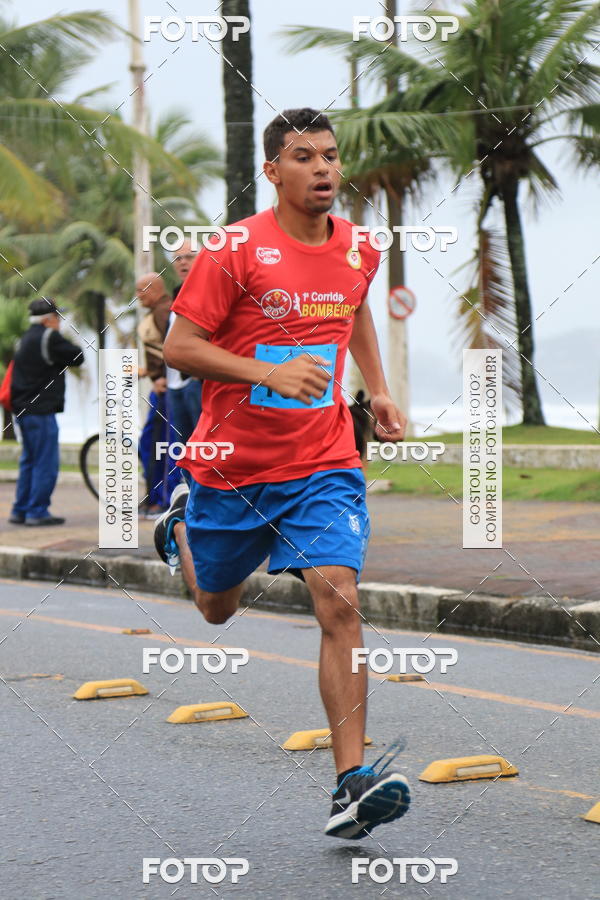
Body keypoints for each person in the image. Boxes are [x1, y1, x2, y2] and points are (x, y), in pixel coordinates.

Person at [154, 108, 410, 839]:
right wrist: (265, 368)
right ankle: (183, 529)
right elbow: (181, 346)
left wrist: (379, 386)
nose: (324, 169)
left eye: (330, 155)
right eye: (304, 157)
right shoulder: (233, 251)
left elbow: (353, 309)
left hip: (323, 458)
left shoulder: (360, 247)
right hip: (231, 465)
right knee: (216, 607)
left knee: (340, 601)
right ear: (273, 171)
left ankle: (350, 785)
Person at [9, 298, 83, 526]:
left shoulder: (23, 339)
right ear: (49, 319)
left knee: (29, 460)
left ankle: (20, 510)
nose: (60, 322)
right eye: (58, 318)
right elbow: (78, 356)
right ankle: (37, 511)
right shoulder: (49, 336)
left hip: (22, 409)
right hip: (40, 410)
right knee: (45, 462)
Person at [136, 273, 180, 516]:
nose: (138, 296)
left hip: (166, 391)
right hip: (159, 388)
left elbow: (174, 346)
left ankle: (163, 501)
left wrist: (163, 376)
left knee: (161, 445)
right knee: (150, 443)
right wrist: (149, 372)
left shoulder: (164, 311)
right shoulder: (157, 312)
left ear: (154, 289)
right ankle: (154, 497)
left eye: (142, 290)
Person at [166, 241, 202, 465]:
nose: (183, 262)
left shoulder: (208, 289)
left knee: (202, 446)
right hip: (174, 384)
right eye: (178, 258)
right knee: (183, 451)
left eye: (189, 256)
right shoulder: (178, 293)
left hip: (196, 381)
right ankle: (189, 496)